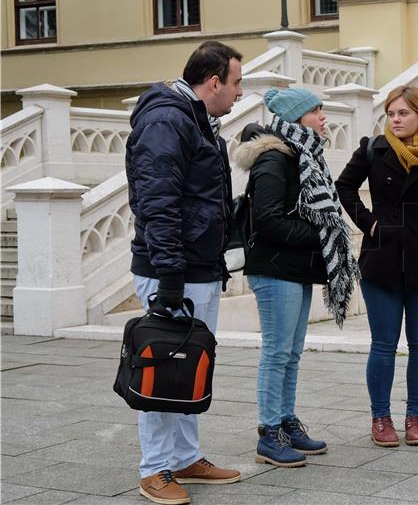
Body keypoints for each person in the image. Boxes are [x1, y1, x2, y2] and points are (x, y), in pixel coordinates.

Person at [126, 41, 243, 505]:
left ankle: (185, 457)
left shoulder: (197, 120)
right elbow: (159, 203)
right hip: (170, 270)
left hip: (196, 268)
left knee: (190, 365)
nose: (239, 93)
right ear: (213, 82)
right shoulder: (166, 119)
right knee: (162, 366)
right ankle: (154, 468)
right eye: (236, 83)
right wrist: (171, 277)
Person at [232, 87, 359, 468]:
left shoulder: (304, 156)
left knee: (291, 352)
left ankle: (286, 421)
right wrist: (321, 234)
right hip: (274, 269)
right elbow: (268, 220)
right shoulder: (275, 159)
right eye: (315, 111)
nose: (323, 117)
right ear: (296, 118)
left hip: (295, 267)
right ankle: (269, 433)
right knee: (276, 352)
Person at [335, 86, 418, 448]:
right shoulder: (373, 149)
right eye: (391, 114)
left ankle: (415, 416)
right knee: (383, 344)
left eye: (403, 113)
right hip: (382, 258)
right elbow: (344, 187)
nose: (396, 120)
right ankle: (381, 417)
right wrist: (370, 224)